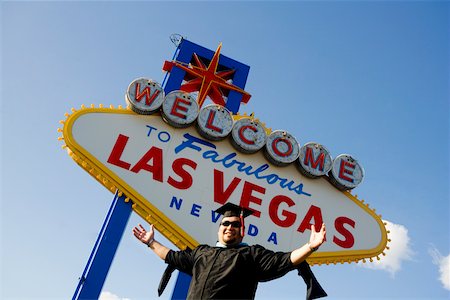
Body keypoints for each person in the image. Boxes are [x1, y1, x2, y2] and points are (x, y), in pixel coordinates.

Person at [133, 203, 327, 299]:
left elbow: (284, 260)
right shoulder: (202, 252)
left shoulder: (250, 255)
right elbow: (172, 257)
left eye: (235, 224)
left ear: (241, 230)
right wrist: (151, 243)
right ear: (219, 228)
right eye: (225, 223)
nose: (229, 227)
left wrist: (310, 247)